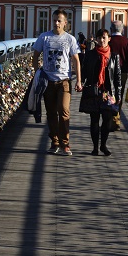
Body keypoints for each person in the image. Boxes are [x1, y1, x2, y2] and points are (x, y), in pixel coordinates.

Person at [32, 10, 82, 155]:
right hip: (48, 81)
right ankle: (54, 142)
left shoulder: (70, 39)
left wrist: (78, 80)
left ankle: (65, 143)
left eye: (59, 21)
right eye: (54, 20)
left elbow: (76, 60)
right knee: (51, 113)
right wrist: (37, 73)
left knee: (64, 111)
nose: (56, 23)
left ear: (65, 23)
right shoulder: (44, 37)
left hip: (64, 81)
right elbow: (35, 55)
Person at [79, 29, 123, 155]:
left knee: (108, 120)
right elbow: (84, 72)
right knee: (94, 119)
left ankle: (103, 145)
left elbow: (117, 77)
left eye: (104, 37)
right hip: (94, 90)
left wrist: (118, 95)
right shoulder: (91, 54)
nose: (102, 40)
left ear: (109, 38)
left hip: (108, 92)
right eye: (99, 38)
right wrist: (80, 83)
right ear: (96, 39)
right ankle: (95, 147)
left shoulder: (114, 56)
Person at [108, 20, 128, 132]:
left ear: (111, 29)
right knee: (119, 94)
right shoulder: (127, 41)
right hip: (122, 72)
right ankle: (116, 118)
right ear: (122, 29)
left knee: (109, 94)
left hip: (108, 72)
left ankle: (110, 119)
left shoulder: (108, 41)